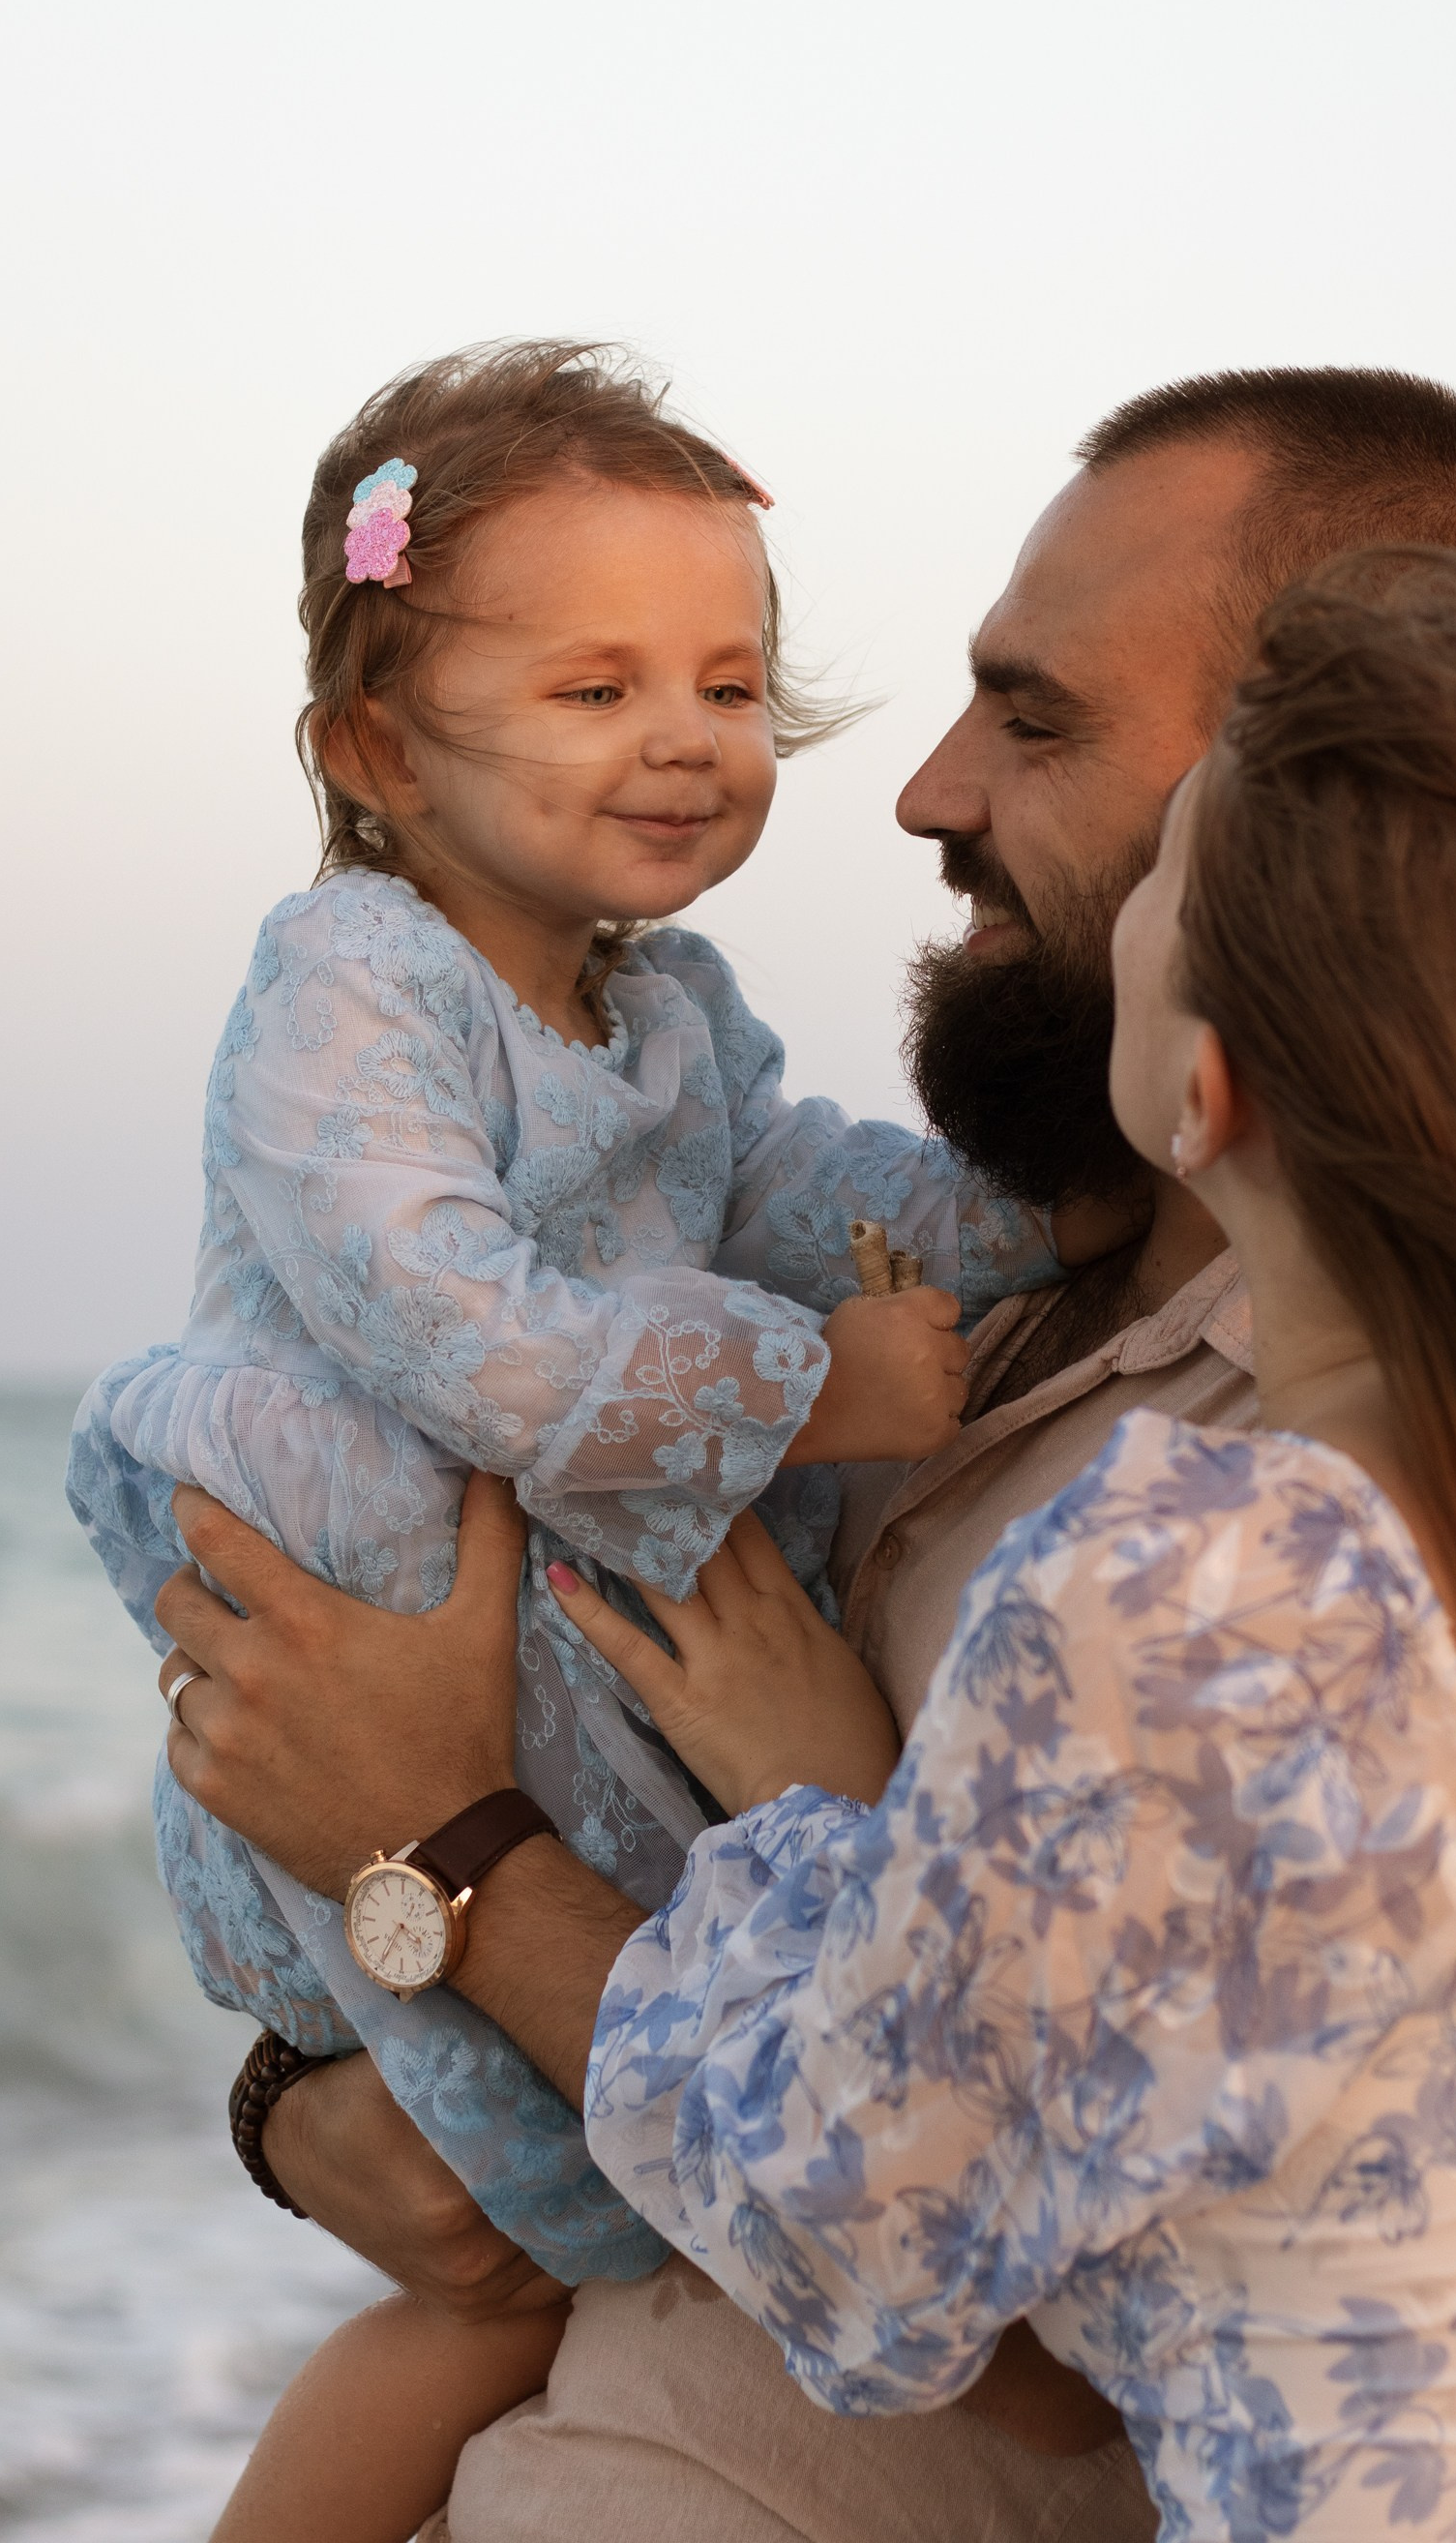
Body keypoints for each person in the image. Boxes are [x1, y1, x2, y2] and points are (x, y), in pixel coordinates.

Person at [152, 552, 1456, 2541]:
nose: (926, 794)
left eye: (1158, 886)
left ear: (1200, 1089)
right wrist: (311, 2096)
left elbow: (876, 2237)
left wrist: (470, 1849)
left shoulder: (1209, 1578)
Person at [66, 339, 1096, 2541]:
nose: (686, 744)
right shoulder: (350, 991)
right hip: (359, 1642)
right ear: (377, 748)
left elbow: (804, 1186)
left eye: (728, 687)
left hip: (523, 1712)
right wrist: (815, 1389)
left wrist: (1032, 1208)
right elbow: (460, 1339)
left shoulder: (668, 1016)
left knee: (537, 2272)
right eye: (593, 686)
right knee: (508, 2279)